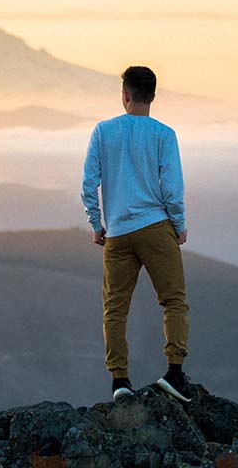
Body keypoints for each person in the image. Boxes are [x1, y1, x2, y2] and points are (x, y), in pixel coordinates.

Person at [80, 65, 193, 403]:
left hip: (117, 233)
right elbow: (172, 189)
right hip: (156, 227)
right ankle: (174, 372)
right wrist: (179, 224)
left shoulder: (103, 132)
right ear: (154, 96)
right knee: (173, 301)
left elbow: (89, 184)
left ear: (125, 94)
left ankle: (119, 381)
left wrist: (96, 224)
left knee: (115, 309)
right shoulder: (163, 134)